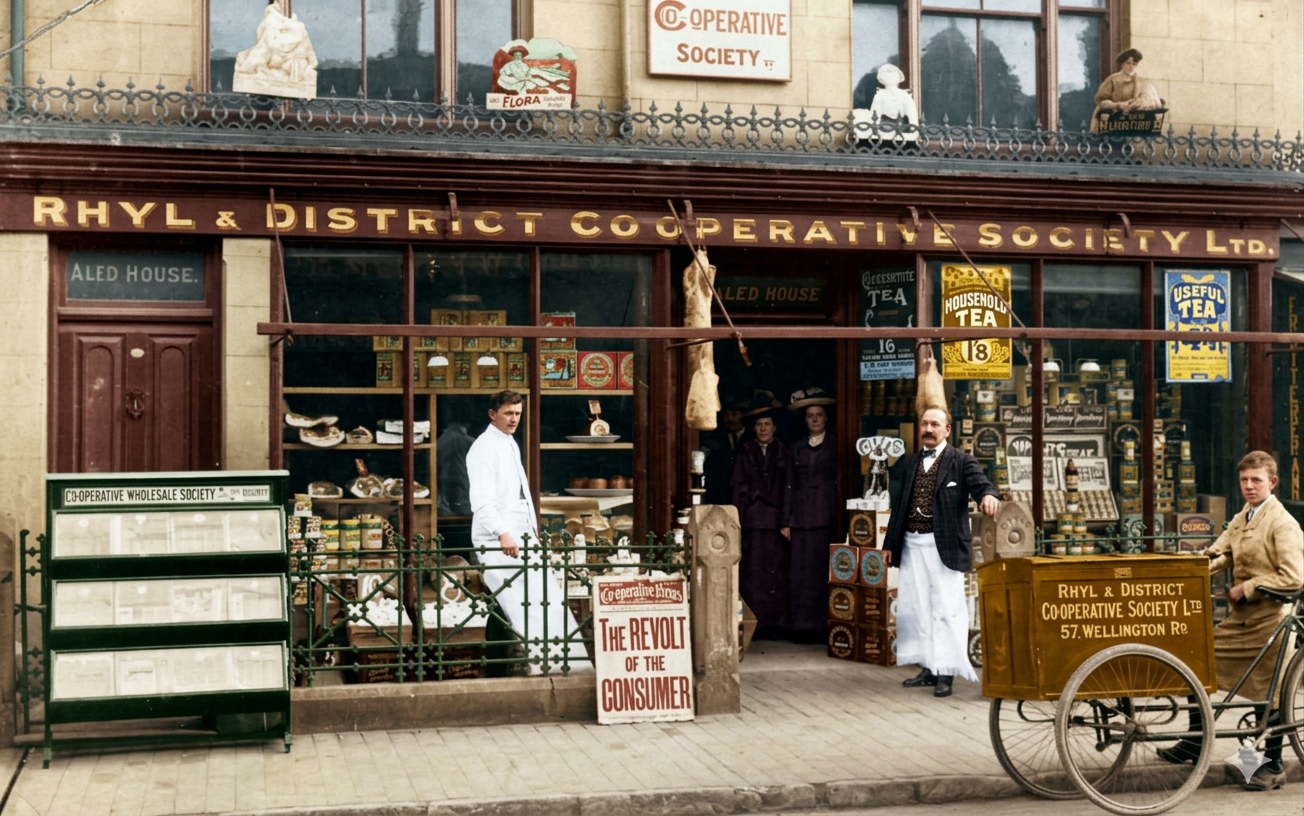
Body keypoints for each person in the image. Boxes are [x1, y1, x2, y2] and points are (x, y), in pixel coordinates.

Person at [1157, 451, 1302, 791]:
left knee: (1271, 694)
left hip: (1271, 621)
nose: (1249, 486)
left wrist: (1247, 587)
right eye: (1244, 480)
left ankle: (1272, 765)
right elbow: (1220, 552)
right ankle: (1195, 742)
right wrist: (1187, 569)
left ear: (1272, 483)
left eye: (1256, 480)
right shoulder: (1246, 515)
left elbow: (1295, 578)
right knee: (1193, 660)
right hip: (1241, 622)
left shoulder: (1283, 523)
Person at [466, 390, 589, 674]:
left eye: (518, 414)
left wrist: (531, 531)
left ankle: (567, 664)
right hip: (499, 538)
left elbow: (519, 494)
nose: (514, 419)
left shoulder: (509, 443)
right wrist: (502, 533)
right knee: (519, 602)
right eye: (508, 413)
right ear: (492, 414)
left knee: (544, 597)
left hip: (521, 534)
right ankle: (543, 665)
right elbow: (482, 501)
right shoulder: (483, 448)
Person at [884, 405, 1000, 698]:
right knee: (919, 608)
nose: (928, 429)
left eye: (935, 424)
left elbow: (983, 486)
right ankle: (929, 667)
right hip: (912, 543)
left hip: (944, 546)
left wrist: (988, 496)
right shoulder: (910, 463)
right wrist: (889, 546)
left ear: (947, 430)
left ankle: (946, 672)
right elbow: (899, 509)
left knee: (947, 609)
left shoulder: (960, 461)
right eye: (924, 424)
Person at [731, 395, 793, 638]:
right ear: (753, 428)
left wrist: (785, 522)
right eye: (759, 425)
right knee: (752, 576)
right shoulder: (745, 452)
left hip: (776, 525)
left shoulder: (783, 452)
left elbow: (788, 486)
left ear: (774, 428)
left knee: (775, 575)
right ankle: (753, 625)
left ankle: (774, 625)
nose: (763, 429)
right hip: (753, 523)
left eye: (767, 424)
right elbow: (737, 486)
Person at [787, 388, 838, 642]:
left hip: (826, 515)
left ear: (826, 418)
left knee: (822, 571)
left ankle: (822, 627)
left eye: (819, 415)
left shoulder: (835, 444)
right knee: (801, 573)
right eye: (810, 416)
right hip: (802, 518)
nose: (815, 420)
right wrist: (786, 520)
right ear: (805, 420)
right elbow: (788, 484)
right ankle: (802, 627)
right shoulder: (795, 448)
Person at [1090, 49, 1162, 133]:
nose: (1131, 66)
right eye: (1128, 63)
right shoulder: (1113, 79)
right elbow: (1099, 100)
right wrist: (1117, 105)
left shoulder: (1142, 82)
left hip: (1133, 124)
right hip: (1113, 122)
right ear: (1122, 64)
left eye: (1134, 64)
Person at [701, 399, 748, 506]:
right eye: (726, 415)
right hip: (720, 499)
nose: (730, 419)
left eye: (734, 414)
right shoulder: (714, 441)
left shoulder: (752, 439)